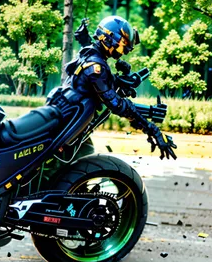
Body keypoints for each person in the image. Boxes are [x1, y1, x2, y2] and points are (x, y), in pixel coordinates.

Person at [67, 15, 178, 160]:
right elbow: (117, 104)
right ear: (108, 38)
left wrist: (120, 82)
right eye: (122, 43)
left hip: (72, 126)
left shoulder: (92, 56)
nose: (123, 50)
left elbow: (102, 88)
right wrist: (152, 129)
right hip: (67, 129)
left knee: (85, 155)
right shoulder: (95, 67)